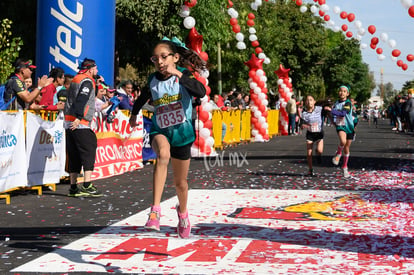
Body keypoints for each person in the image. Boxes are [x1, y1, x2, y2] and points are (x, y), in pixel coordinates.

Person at [129, 37, 206, 238]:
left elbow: (201, 92)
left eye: (164, 57)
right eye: (156, 59)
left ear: (175, 57)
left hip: (182, 133)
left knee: (180, 183)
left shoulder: (184, 75)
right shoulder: (152, 80)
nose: (160, 62)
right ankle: (155, 211)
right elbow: (141, 98)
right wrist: (133, 114)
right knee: (162, 154)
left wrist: (179, 75)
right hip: (160, 130)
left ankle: (183, 213)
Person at [64, 58, 103, 197]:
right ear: (91, 69)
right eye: (96, 69)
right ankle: (87, 184)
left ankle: (73, 187)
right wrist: (79, 117)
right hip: (80, 123)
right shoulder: (86, 81)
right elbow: (82, 99)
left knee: (73, 154)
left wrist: (96, 83)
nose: (97, 71)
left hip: (69, 121)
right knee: (89, 150)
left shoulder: (77, 78)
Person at [301, 95, 331, 177]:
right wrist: (304, 126)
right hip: (310, 134)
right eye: (307, 100)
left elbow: (326, 111)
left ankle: (318, 155)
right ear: (305, 103)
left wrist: (327, 109)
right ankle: (310, 170)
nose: (309, 102)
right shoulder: (304, 113)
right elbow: (302, 124)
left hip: (319, 134)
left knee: (319, 150)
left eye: (311, 100)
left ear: (314, 102)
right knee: (309, 153)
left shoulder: (319, 109)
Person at [331, 85, 357, 178]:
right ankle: (338, 153)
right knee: (343, 141)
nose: (342, 93)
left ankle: (345, 167)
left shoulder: (348, 103)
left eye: (344, 91)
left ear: (347, 93)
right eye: (340, 91)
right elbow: (333, 114)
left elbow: (343, 113)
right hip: (341, 126)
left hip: (349, 127)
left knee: (346, 147)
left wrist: (332, 111)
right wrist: (333, 120)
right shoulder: (336, 103)